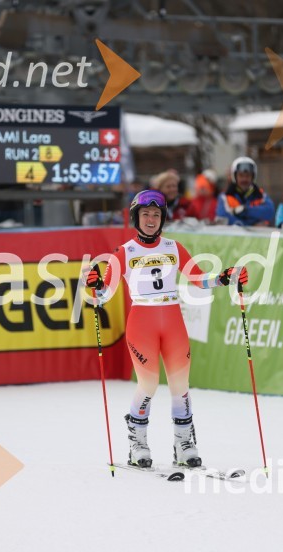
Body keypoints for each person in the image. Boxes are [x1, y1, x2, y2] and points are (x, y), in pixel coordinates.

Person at [85, 189, 248, 468]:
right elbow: (102, 296)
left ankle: (184, 444)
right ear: (136, 217)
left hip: (173, 322)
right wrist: (95, 285)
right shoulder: (123, 253)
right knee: (148, 385)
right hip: (142, 324)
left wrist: (224, 277)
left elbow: (198, 279)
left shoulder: (174, 247)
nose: (151, 220)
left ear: (162, 218)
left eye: (156, 215)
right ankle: (138, 443)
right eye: (145, 214)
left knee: (180, 386)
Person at [216, 157, 275, 226]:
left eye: (248, 176)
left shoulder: (261, 196)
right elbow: (224, 218)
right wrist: (252, 223)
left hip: (257, 233)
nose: (244, 179)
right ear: (235, 176)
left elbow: (269, 212)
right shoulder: (225, 197)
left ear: (253, 177)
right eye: (241, 175)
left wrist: (245, 210)